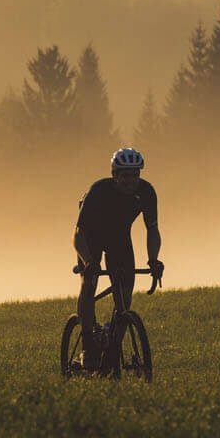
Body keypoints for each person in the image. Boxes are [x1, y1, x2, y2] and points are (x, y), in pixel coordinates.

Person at [74, 147, 163, 354]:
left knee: (125, 296)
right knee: (89, 285)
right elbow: (78, 234)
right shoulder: (98, 191)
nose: (131, 181)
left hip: (119, 240)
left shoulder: (146, 192)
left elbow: (152, 230)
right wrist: (88, 262)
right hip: (91, 240)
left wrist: (153, 260)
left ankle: (114, 345)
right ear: (114, 175)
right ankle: (88, 347)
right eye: (125, 176)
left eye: (135, 175)